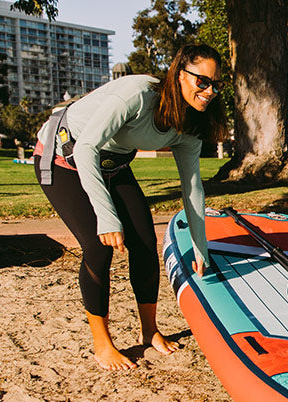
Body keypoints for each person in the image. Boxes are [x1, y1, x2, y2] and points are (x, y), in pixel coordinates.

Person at [34, 44, 228, 370]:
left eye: (216, 84)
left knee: (143, 239)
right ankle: (102, 344)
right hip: (62, 158)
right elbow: (86, 149)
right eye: (202, 82)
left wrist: (200, 247)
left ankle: (150, 330)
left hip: (112, 165)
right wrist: (107, 217)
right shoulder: (136, 95)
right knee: (99, 247)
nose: (210, 91)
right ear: (180, 75)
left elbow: (192, 187)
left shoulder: (191, 124)